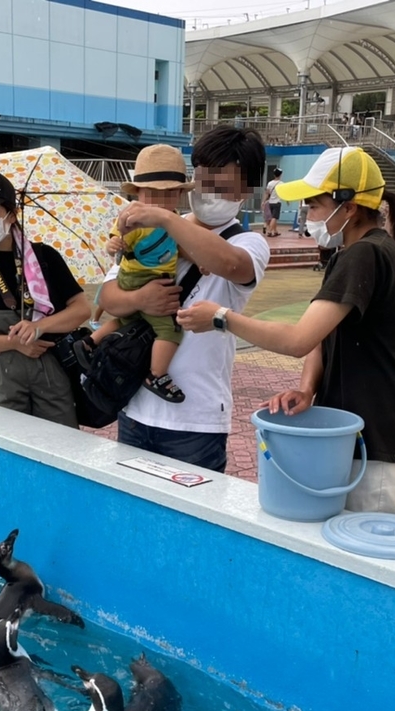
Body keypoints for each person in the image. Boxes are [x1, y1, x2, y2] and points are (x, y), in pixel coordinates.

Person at [178, 146, 395, 514]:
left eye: (315, 206)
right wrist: (307, 388)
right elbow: (321, 337)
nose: (308, 216)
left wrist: (222, 317)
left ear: (349, 207)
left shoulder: (364, 255)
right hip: (350, 433)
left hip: (376, 442)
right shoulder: (357, 252)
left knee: (366, 556)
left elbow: (298, 339)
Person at [98, 126, 271, 471]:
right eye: (205, 181)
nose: (210, 193)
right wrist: (141, 300)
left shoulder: (247, 243)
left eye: (223, 186)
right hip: (134, 407)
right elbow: (107, 297)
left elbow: (227, 263)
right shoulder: (147, 230)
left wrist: (163, 216)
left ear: (246, 190)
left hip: (196, 422)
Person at [0, 170, 93, 427]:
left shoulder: (45, 257)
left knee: (61, 446)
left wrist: (38, 327)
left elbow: (81, 310)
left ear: (11, 214)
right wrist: (14, 343)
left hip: (51, 369)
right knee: (6, 451)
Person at [75, 144, 197, 402]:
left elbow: (180, 247)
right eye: (153, 193)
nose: (162, 201)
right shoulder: (136, 219)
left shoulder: (174, 221)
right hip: (144, 278)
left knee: (127, 321)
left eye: (170, 194)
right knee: (169, 329)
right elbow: (117, 239)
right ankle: (156, 374)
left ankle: (90, 342)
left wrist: (198, 258)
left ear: (179, 195)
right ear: (139, 193)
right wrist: (115, 244)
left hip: (138, 279)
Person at [263, 167, 283, 237]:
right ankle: (270, 231)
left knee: (273, 218)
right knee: (274, 218)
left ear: (274, 175)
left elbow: (267, 193)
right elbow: (284, 193)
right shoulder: (282, 184)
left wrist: (263, 201)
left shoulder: (270, 183)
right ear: (280, 175)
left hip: (270, 202)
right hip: (277, 202)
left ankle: (275, 231)